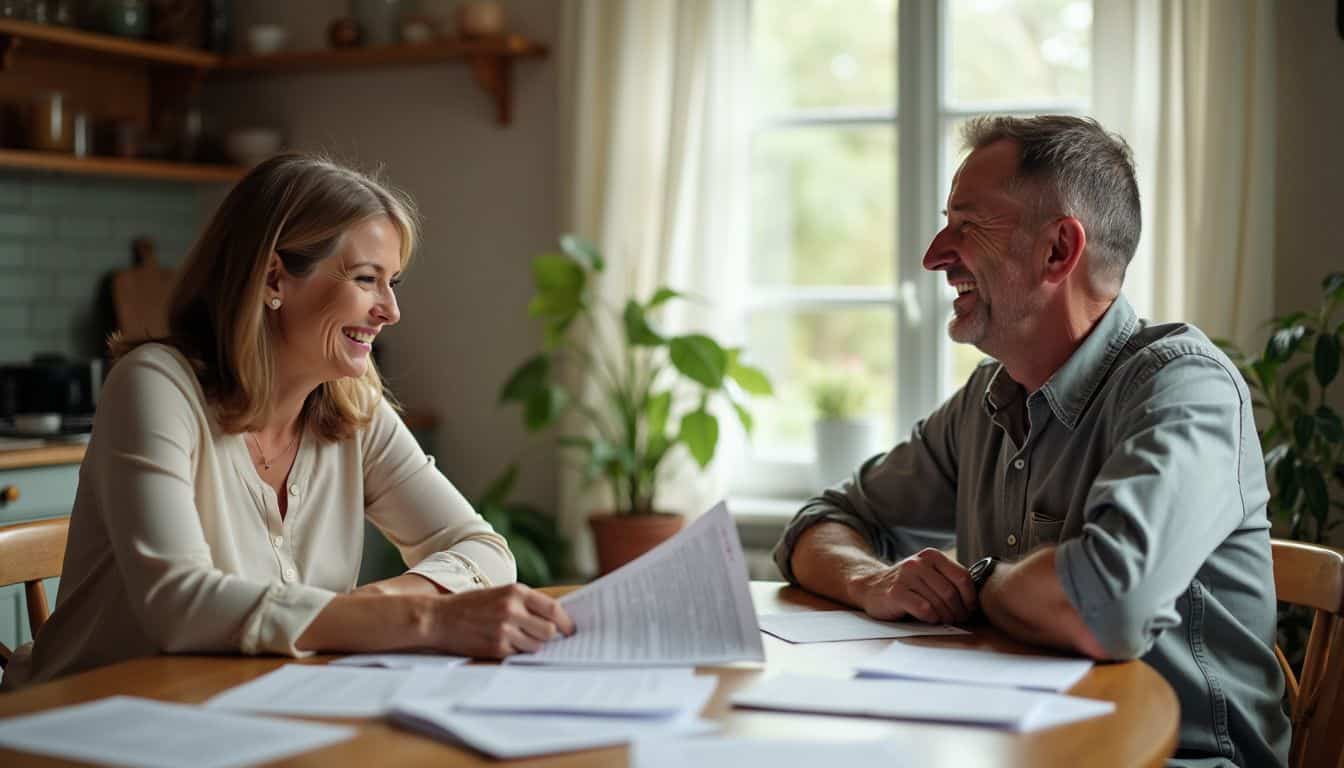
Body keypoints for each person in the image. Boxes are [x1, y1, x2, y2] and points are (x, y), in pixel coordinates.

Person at [773, 116, 1290, 767]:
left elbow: (1105, 607)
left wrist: (978, 583)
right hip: (1021, 751)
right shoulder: (987, 399)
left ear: (1057, 251)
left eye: (968, 225)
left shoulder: (1185, 388)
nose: (935, 253)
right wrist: (872, 581)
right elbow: (820, 525)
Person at [2, 154, 572, 689]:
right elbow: (179, 604)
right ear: (274, 279)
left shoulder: (353, 407)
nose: (390, 311)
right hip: (88, 721)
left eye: (391, 283)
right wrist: (420, 617)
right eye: (366, 279)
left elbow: (482, 549)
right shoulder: (155, 386)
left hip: (245, 707)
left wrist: (380, 608)